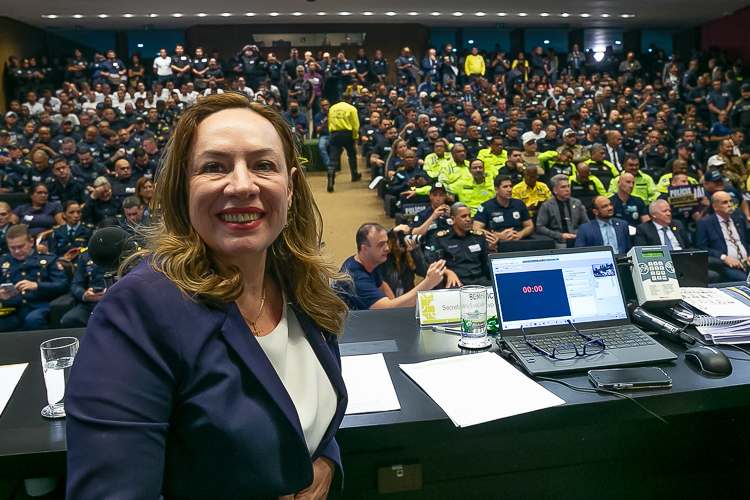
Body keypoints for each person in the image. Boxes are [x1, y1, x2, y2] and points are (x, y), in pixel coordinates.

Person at [66, 94, 352, 499]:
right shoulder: (135, 311)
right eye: (214, 167)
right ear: (183, 188)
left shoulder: (306, 286)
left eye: (263, 165)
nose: (241, 185)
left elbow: (308, 411)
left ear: (289, 189)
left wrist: (324, 462)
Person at [337, 223, 445, 309]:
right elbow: (386, 309)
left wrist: (393, 303)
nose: (387, 248)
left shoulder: (368, 262)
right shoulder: (356, 278)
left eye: (386, 242)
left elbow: (383, 286)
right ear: (365, 249)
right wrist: (427, 284)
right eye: (381, 245)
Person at [0, 224, 68, 331]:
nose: (17, 251)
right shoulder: (4, 261)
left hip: (39, 306)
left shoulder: (49, 260)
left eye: (20, 246)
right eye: (12, 248)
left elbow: (62, 284)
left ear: (31, 242)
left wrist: (37, 285)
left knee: (33, 320)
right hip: (12, 308)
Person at [425, 203, 492, 287]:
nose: (468, 219)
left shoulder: (478, 237)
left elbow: (488, 262)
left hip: (478, 280)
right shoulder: (441, 238)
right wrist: (448, 272)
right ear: (453, 219)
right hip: (456, 281)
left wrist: (493, 248)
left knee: (497, 288)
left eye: (469, 215)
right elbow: (432, 263)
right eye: (463, 216)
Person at [695, 191, 749, 281]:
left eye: (731, 201)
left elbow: (748, 241)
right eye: (725, 202)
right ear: (715, 206)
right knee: (745, 282)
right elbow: (702, 248)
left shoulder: (739, 219)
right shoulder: (705, 223)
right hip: (727, 266)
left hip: (747, 262)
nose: (730, 205)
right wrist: (724, 257)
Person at [473, 174, 534, 246]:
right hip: (495, 244)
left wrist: (519, 235)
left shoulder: (519, 204)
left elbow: (530, 226)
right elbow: (476, 228)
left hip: (517, 242)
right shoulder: (486, 206)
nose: (509, 190)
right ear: (496, 190)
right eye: (505, 187)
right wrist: (499, 236)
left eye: (510, 186)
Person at [536, 175, 590, 248]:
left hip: (577, 237)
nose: (567, 189)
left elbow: (586, 223)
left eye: (568, 186)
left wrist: (580, 234)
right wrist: (560, 236)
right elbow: (540, 227)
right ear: (555, 190)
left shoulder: (577, 203)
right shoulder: (547, 206)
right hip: (559, 240)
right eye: (563, 187)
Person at [326, 93, 361, 191]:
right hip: (347, 134)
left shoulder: (332, 108)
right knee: (352, 154)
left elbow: (330, 122)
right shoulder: (352, 109)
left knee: (333, 159)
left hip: (335, 134)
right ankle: (354, 175)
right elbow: (355, 125)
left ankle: (330, 182)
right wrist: (355, 137)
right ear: (349, 100)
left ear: (340, 98)